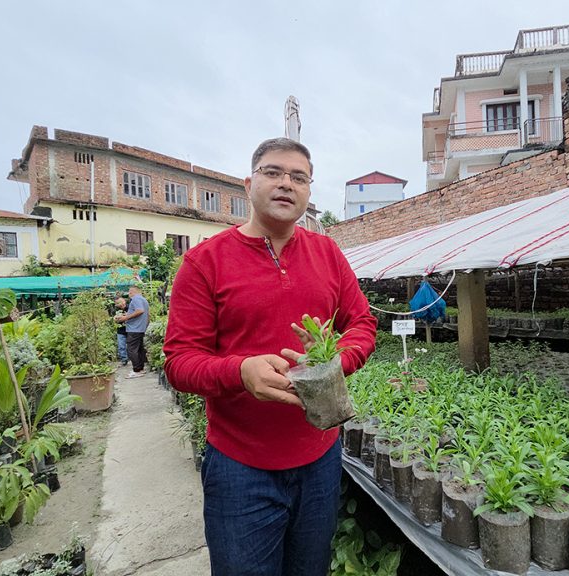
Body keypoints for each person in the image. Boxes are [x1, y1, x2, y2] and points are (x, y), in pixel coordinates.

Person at [163, 138, 376, 576]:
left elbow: (361, 324)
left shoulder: (328, 254)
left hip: (320, 458)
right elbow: (179, 361)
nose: (286, 184)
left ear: (309, 192)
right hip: (240, 468)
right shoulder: (204, 262)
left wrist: (335, 362)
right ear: (249, 184)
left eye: (299, 177)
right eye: (273, 172)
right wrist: (240, 371)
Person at [116, 285, 149, 378]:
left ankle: (136, 370)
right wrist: (145, 326)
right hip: (140, 328)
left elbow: (140, 311)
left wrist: (125, 318)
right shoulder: (144, 300)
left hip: (134, 329)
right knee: (139, 350)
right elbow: (147, 315)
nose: (129, 294)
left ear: (132, 292)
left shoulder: (135, 299)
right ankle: (140, 369)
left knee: (131, 349)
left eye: (129, 292)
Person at [114, 297, 129, 366]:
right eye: (117, 303)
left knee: (131, 345)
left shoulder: (130, 307)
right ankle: (124, 359)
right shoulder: (116, 310)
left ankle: (134, 358)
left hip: (130, 329)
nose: (120, 304)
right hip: (120, 330)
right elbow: (115, 319)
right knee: (121, 346)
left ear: (124, 301)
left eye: (121, 302)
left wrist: (124, 317)